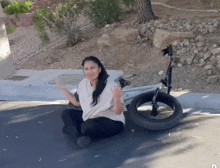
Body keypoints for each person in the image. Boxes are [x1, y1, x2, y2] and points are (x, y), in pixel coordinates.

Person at [55, 56, 126, 148]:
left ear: (99, 69)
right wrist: (63, 89)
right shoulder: (83, 84)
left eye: (93, 68)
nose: (90, 71)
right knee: (66, 113)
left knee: (86, 126)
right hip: (90, 117)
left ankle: (72, 131)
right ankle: (79, 138)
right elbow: (77, 103)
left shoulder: (111, 86)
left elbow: (118, 112)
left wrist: (117, 98)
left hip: (112, 122)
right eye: (86, 69)